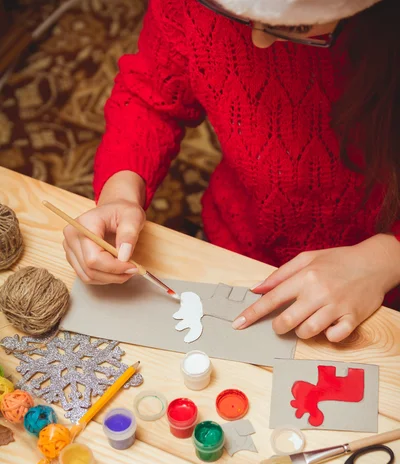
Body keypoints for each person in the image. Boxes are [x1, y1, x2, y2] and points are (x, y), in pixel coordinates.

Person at [63, 0, 400, 343]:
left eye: (295, 29)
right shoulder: (187, 6)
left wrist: (384, 259)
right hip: (237, 244)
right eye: (231, 14)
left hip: (376, 282)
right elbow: (149, 96)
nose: (259, 41)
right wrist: (120, 191)